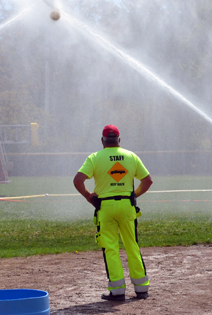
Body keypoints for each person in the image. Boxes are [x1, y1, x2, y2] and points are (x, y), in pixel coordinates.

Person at [73, 125, 153, 301]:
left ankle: (117, 291)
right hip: (127, 206)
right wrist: (133, 195)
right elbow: (148, 181)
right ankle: (141, 289)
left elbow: (78, 180)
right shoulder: (131, 156)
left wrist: (88, 196)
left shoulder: (95, 157)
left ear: (102, 141)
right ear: (119, 140)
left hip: (105, 207)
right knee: (132, 245)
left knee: (110, 248)